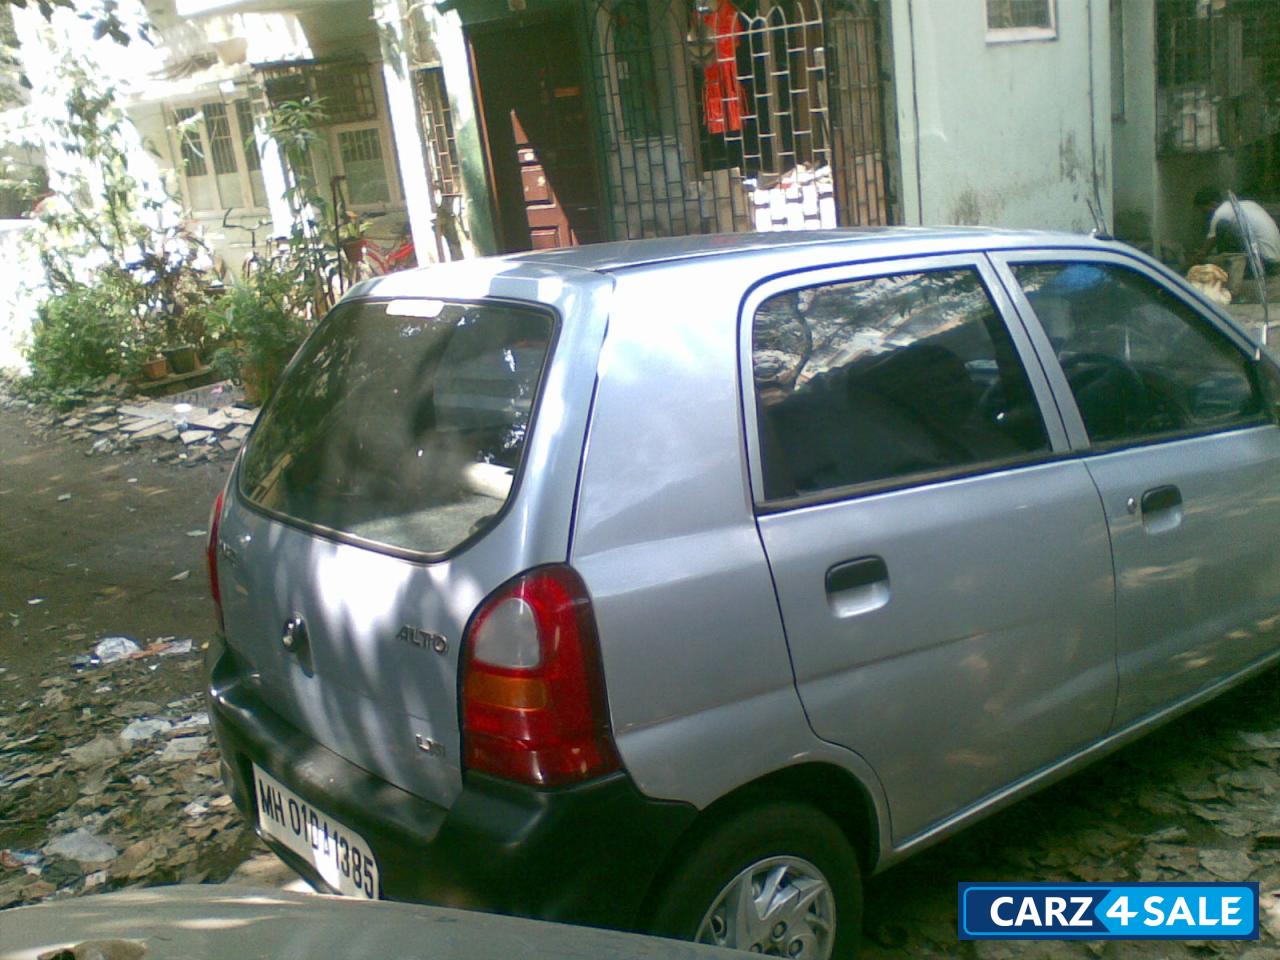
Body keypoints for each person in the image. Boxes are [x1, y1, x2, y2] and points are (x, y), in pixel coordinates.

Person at [1194, 187, 1280, 274]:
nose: (1204, 214)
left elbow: (1208, 245)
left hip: (1263, 264)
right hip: (1275, 261)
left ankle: (1228, 270)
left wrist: (1195, 260)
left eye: (1204, 210)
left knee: (1222, 226)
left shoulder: (1220, 214)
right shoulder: (1248, 204)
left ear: (1213, 204)